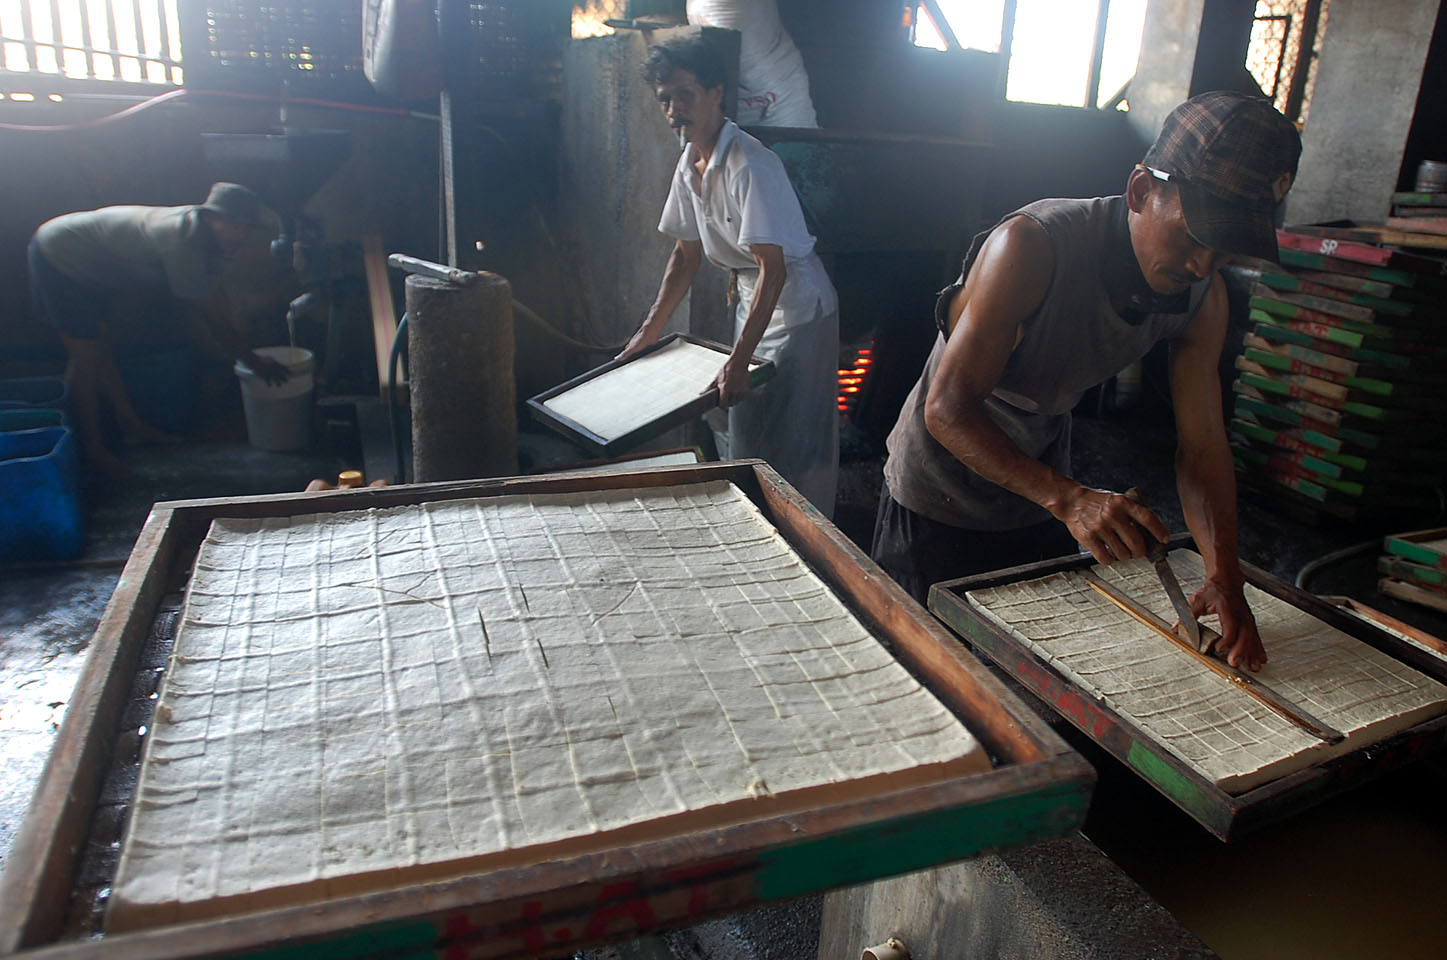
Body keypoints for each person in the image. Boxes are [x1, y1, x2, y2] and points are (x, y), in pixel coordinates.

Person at [872, 91, 1303, 672]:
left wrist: (1224, 575)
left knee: (1032, 681)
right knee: (928, 679)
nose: (1202, 266)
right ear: (1142, 191)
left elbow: (1202, 447)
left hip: (1041, 491)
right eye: (1194, 236)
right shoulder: (1031, 246)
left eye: (1224, 251)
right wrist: (1069, 497)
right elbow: (948, 409)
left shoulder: (1203, 296)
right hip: (937, 492)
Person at [619, 35, 839, 515]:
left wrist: (739, 360)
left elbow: (774, 270)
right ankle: (758, 521)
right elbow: (685, 256)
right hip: (754, 296)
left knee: (795, 438)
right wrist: (648, 333)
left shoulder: (749, 164)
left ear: (716, 93)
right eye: (664, 99)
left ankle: (811, 539)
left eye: (685, 94)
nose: (675, 109)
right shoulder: (690, 164)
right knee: (749, 424)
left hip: (798, 308)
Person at [27, 182, 289, 473]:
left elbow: (217, 296)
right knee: (85, 358)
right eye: (236, 226)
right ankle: (91, 451)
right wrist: (253, 361)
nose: (243, 235)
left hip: (88, 264)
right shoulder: (179, 241)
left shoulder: (206, 237)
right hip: (59, 254)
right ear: (212, 217)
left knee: (100, 347)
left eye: (248, 228)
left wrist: (245, 352)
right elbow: (212, 318)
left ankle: (131, 428)